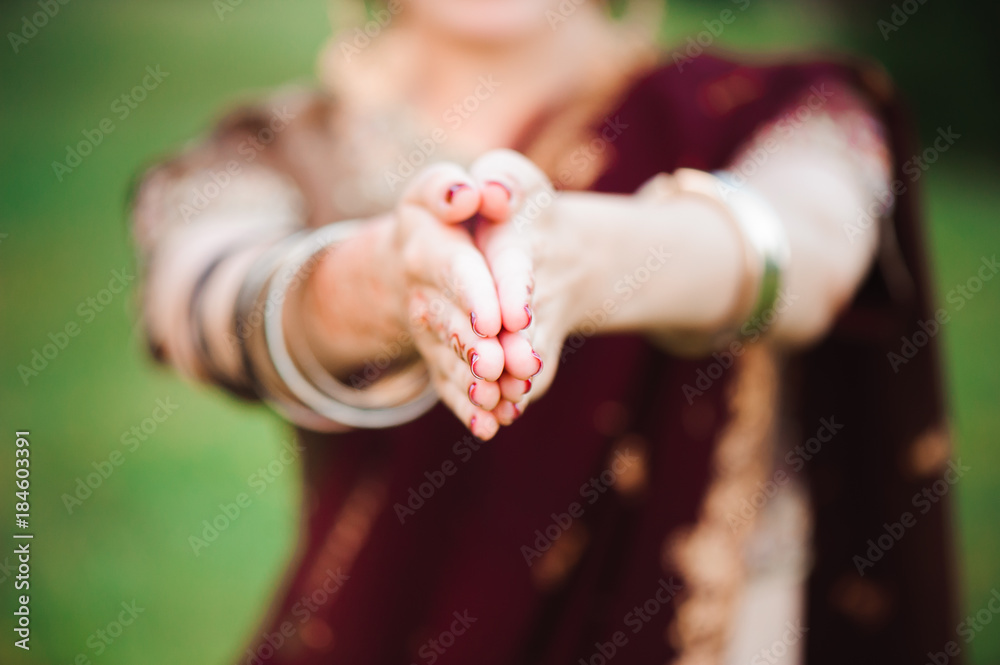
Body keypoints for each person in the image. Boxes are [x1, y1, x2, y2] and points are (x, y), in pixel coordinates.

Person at [131, 1, 960, 663]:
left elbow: (812, 248)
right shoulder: (261, 155)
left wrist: (582, 260)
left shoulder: (782, 111)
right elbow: (210, 303)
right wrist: (388, 280)